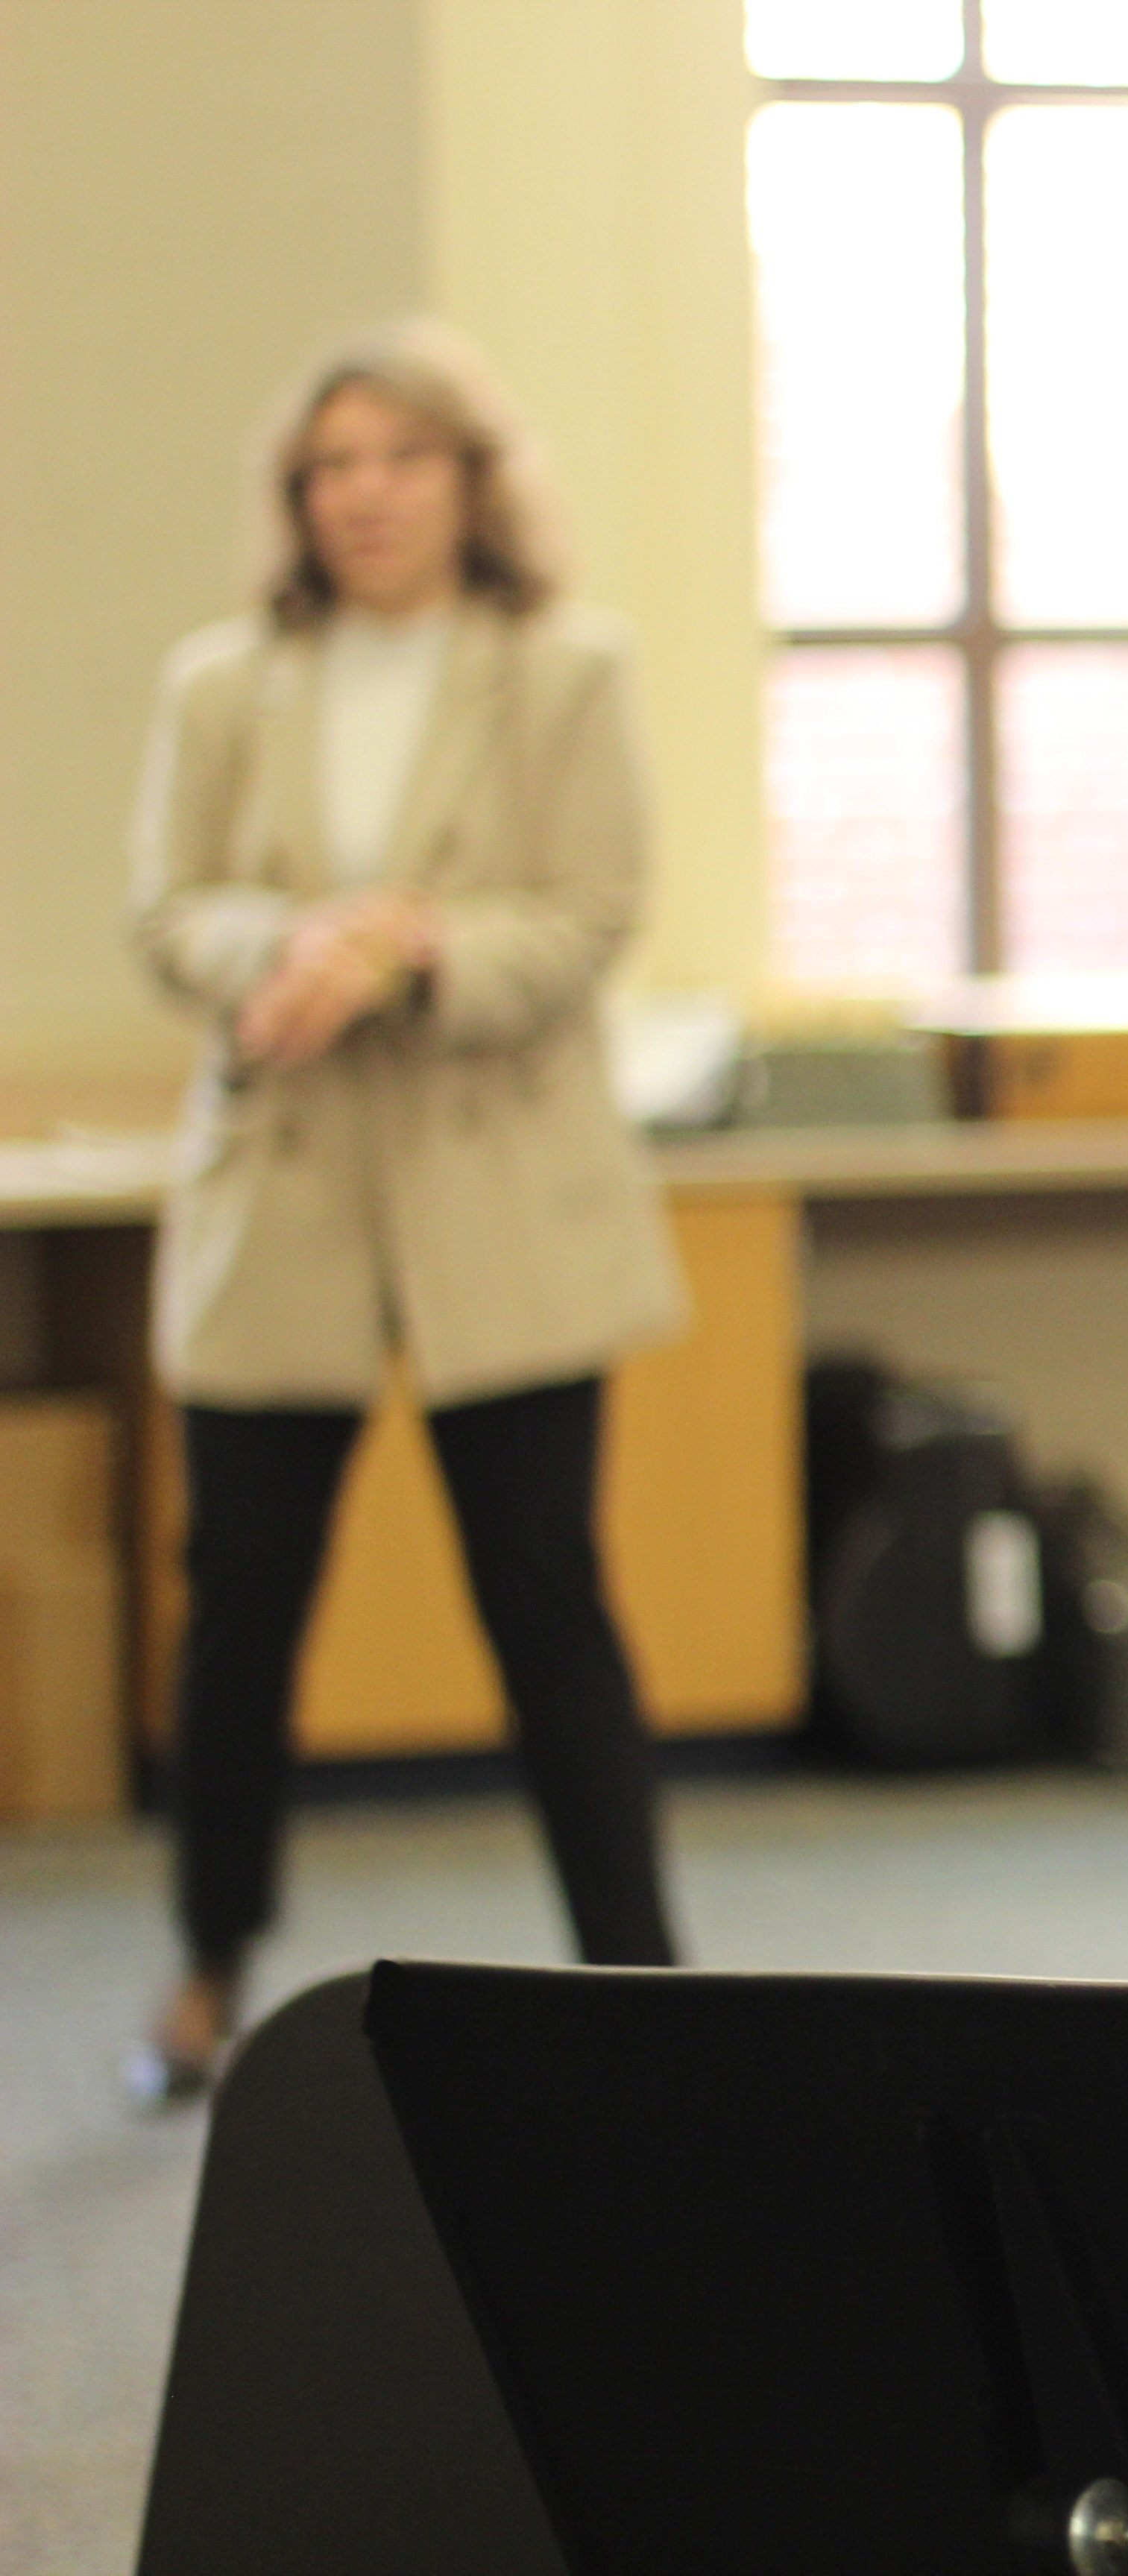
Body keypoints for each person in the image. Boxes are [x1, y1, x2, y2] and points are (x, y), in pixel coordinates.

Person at [124, 321, 689, 2106]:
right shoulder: (225, 684)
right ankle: (210, 1970)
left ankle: (643, 1986)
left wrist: (417, 946)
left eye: (398, 460)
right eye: (330, 469)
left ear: (469, 480)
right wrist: (279, 948)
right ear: (298, 502)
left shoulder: (564, 671)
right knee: (239, 1609)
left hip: (499, 1194)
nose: (363, 496)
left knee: (547, 1600)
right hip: (281, 1197)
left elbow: (595, 912)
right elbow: (168, 907)